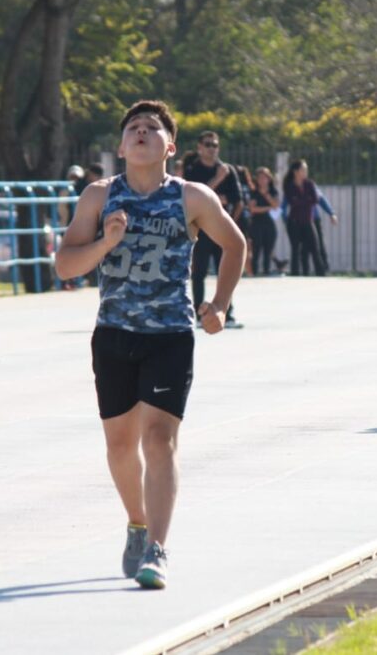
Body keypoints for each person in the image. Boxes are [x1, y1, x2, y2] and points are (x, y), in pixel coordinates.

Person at [54, 100, 245, 590]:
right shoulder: (99, 197)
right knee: (120, 447)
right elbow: (65, 266)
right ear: (121, 147)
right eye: (133, 128)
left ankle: (158, 550)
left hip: (170, 335)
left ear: (170, 146)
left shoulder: (192, 197)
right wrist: (104, 244)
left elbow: (235, 244)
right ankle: (137, 523)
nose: (141, 133)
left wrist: (219, 304)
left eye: (152, 128)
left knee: (159, 440)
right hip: (114, 334)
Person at [184, 131, 244, 327]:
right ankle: (199, 314)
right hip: (201, 231)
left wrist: (231, 225)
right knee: (199, 273)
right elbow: (193, 197)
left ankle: (226, 311)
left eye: (215, 145)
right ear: (199, 148)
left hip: (221, 231)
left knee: (225, 270)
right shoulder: (193, 169)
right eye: (208, 144)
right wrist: (217, 181)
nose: (212, 149)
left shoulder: (228, 170)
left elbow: (238, 201)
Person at [282, 159, 327, 276]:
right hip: (294, 222)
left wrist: (301, 200)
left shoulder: (309, 184)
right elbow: (293, 202)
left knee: (315, 247)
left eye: (306, 170)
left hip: (308, 220)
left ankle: (320, 273)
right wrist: (306, 200)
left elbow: (315, 199)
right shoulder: (289, 186)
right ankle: (295, 273)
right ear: (296, 172)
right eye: (303, 169)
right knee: (296, 249)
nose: (305, 172)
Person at [248, 167, 279, 276]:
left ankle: (266, 272)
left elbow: (276, 205)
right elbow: (252, 209)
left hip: (269, 223)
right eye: (260, 177)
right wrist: (267, 208)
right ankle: (254, 273)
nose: (262, 180)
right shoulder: (254, 191)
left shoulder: (273, 191)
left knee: (268, 250)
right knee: (256, 250)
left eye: (265, 177)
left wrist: (266, 195)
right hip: (256, 223)